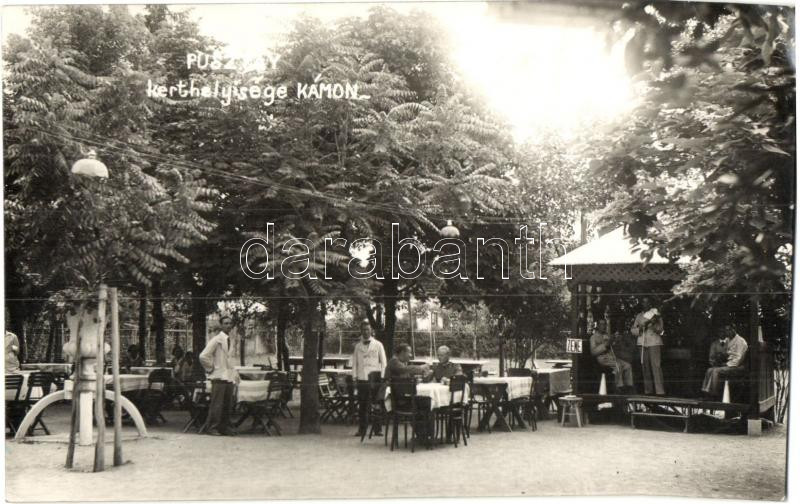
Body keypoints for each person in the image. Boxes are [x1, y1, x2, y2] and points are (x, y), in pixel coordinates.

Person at [199, 316, 237, 436]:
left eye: (230, 323)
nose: (228, 325)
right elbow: (203, 356)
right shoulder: (216, 340)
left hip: (229, 376)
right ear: (221, 325)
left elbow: (230, 358)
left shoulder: (231, 340)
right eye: (225, 323)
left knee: (227, 404)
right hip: (219, 376)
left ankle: (224, 427)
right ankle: (212, 427)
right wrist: (211, 368)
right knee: (217, 404)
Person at [351, 318, 387, 437]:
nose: (366, 332)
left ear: (371, 330)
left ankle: (378, 429)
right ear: (361, 331)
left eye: (367, 329)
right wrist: (355, 377)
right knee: (362, 405)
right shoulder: (357, 346)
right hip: (362, 378)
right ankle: (362, 429)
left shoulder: (378, 344)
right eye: (363, 330)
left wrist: (383, 377)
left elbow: (384, 362)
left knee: (376, 404)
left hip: (375, 378)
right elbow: (355, 363)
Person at [701, 325, 748, 398]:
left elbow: (738, 359)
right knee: (709, 370)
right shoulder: (729, 340)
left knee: (715, 371)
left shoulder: (741, 341)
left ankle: (713, 394)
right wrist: (721, 356)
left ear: (734, 329)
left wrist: (726, 364)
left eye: (728, 330)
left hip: (737, 366)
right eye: (726, 331)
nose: (727, 333)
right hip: (730, 364)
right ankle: (705, 392)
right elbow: (728, 353)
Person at [631, 297, 665, 395]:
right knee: (645, 367)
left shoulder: (656, 314)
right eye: (643, 302)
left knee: (656, 366)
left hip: (654, 342)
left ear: (650, 304)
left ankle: (660, 391)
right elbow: (633, 330)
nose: (645, 304)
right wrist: (641, 328)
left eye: (647, 302)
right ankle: (648, 391)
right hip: (642, 343)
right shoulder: (639, 316)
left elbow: (661, 330)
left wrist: (653, 325)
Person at [590, 320, 633, 392]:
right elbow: (593, 352)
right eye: (602, 324)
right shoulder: (593, 337)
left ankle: (629, 386)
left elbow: (613, 347)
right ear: (598, 326)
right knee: (618, 365)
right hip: (603, 358)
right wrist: (605, 345)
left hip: (612, 357)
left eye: (605, 324)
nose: (604, 326)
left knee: (627, 366)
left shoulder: (607, 335)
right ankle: (619, 386)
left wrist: (616, 341)